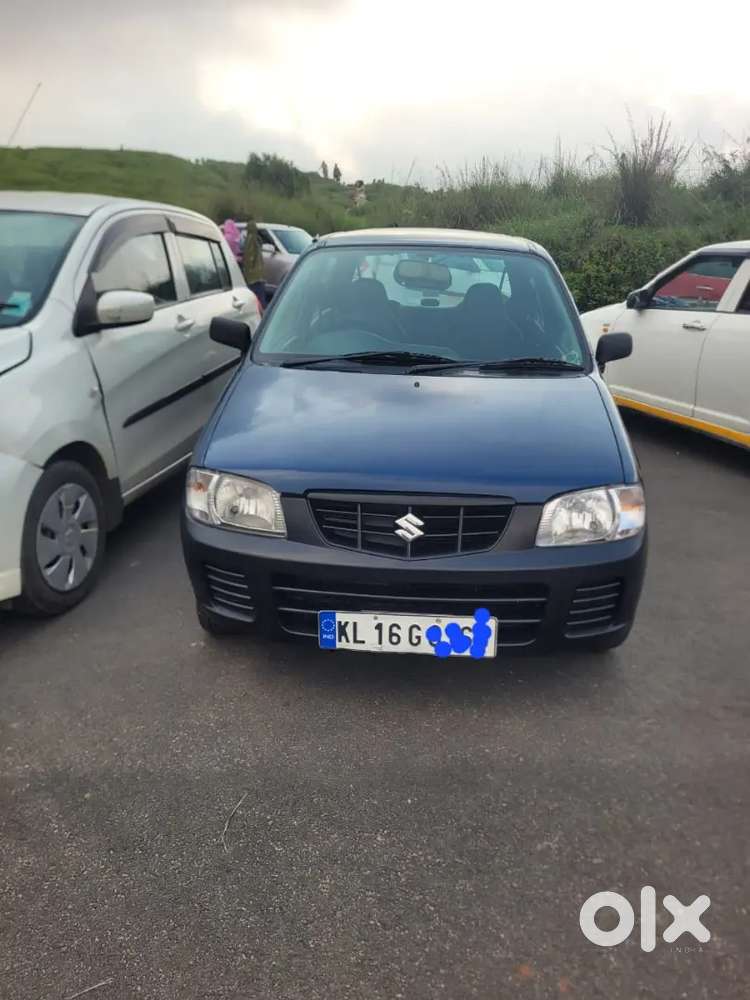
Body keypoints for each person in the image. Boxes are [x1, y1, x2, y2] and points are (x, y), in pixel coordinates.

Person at [242, 218, 266, 308]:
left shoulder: (250, 239)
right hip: (260, 274)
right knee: (261, 297)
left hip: (253, 276)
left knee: (254, 297)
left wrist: (246, 272)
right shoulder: (257, 239)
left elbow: (250, 258)